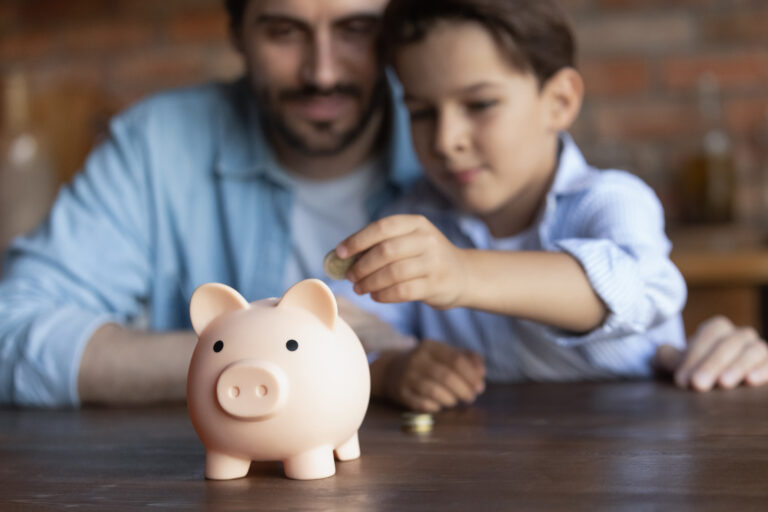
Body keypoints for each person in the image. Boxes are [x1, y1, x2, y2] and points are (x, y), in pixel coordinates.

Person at [331, 0, 768, 412]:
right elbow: (343, 327)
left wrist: (462, 272)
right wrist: (391, 368)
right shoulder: (412, 217)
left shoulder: (612, 199)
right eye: (422, 112)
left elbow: (633, 287)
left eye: (480, 104)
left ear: (559, 102)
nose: (446, 140)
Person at [0, 0, 422, 407]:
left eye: (357, 30)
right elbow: (12, 332)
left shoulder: (459, 144)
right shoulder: (156, 144)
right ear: (238, 34)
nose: (322, 73)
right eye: (283, 32)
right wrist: (271, 351)